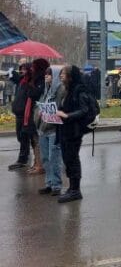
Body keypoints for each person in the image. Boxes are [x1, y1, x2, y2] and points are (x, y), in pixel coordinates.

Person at [54, 65, 90, 203]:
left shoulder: (79, 90)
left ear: (71, 76)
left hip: (74, 131)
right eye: (61, 73)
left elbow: (84, 110)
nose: (61, 75)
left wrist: (67, 115)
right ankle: (71, 187)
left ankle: (76, 190)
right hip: (65, 129)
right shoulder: (67, 90)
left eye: (64, 73)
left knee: (72, 159)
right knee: (67, 159)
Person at [36, 66, 63, 196]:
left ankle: (56, 185)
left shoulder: (61, 90)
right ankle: (49, 183)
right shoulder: (45, 91)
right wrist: (40, 113)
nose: (46, 76)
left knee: (54, 158)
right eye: (45, 74)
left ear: (55, 75)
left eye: (49, 74)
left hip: (54, 129)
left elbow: (61, 107)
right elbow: (40, 106)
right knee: (45, 158)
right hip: (43, 128)